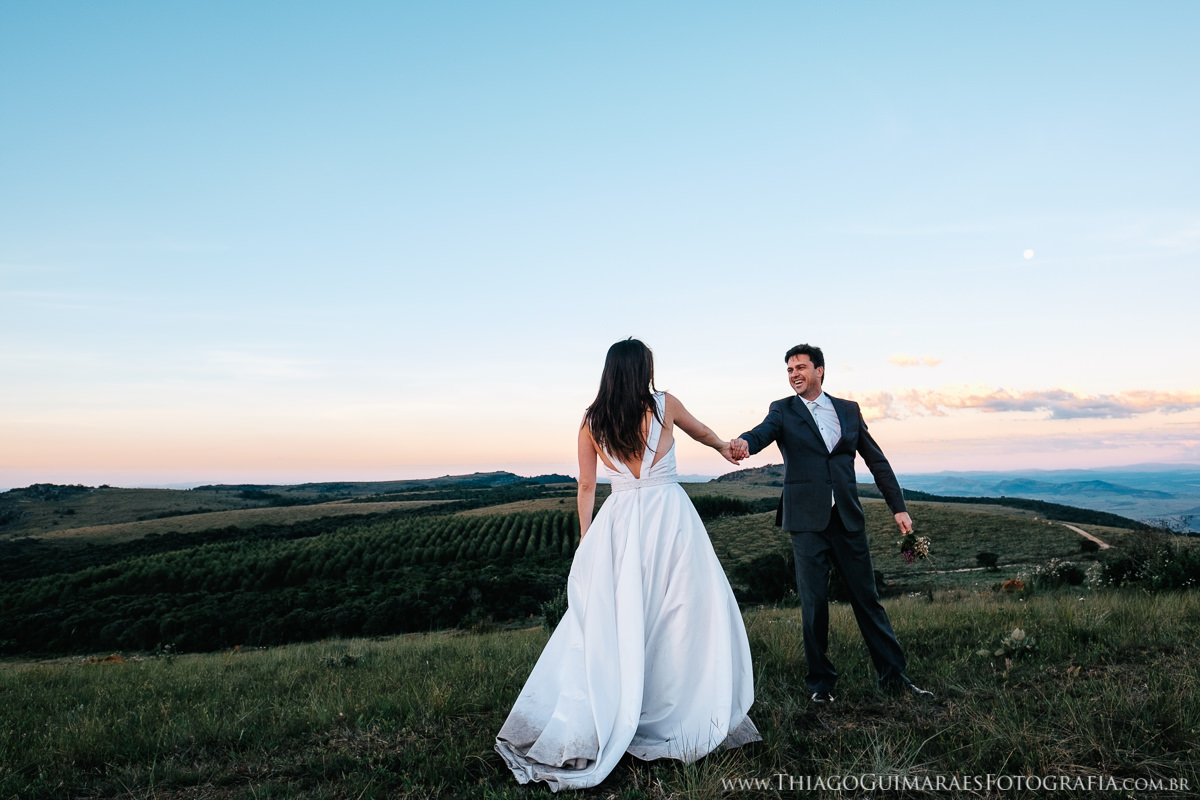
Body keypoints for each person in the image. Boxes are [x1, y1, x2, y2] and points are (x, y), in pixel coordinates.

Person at [495, 338, 760, 792]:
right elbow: (702, 433)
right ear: (644, 369)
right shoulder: (665, 404)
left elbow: (585, 486)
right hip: (670, 521)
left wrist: (586, 541)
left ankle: (625, 705)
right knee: (678, 616)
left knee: (622, 619)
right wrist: (725, 448)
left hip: (619, 526)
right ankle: (681, 707)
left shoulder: (592, 421)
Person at [729, 343, 932, 704]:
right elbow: (763, 432)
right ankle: (820, 685)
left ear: (819, 371)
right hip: (806, 522)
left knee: (867, 600)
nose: (794, 375)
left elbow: (877, 461)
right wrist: (745, 441)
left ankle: (894, 677)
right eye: (790, 370)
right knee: (814, 604)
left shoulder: (849, 411)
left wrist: (898, 508)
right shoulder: (783, 410)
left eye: (801, 367)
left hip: (848, 519)